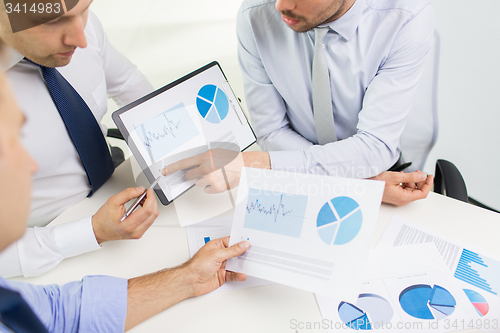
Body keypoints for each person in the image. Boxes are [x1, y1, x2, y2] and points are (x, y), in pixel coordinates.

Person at [0, 40, 250, 331]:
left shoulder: (83, 31)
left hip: (118, 185)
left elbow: (60, 313)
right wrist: (91, 230)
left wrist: (189, 278)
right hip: (52, 228)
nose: (79, 36)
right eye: (13, 143)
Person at [163, 0, 435, 206]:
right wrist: (360, 185)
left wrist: (256, 164)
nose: (282, 5)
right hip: (351, 178)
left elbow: (374, 146)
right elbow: (271, 132)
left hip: (380, 168)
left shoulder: (405, 16)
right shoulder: (256, 13)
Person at [0, 0, 159, 278]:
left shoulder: (77, 23)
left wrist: (171, 145)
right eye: (52, 21)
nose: (80, 39)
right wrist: (91, 232)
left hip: (126, 193)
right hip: (50, 251)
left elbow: (127, 83)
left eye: (84, 9)